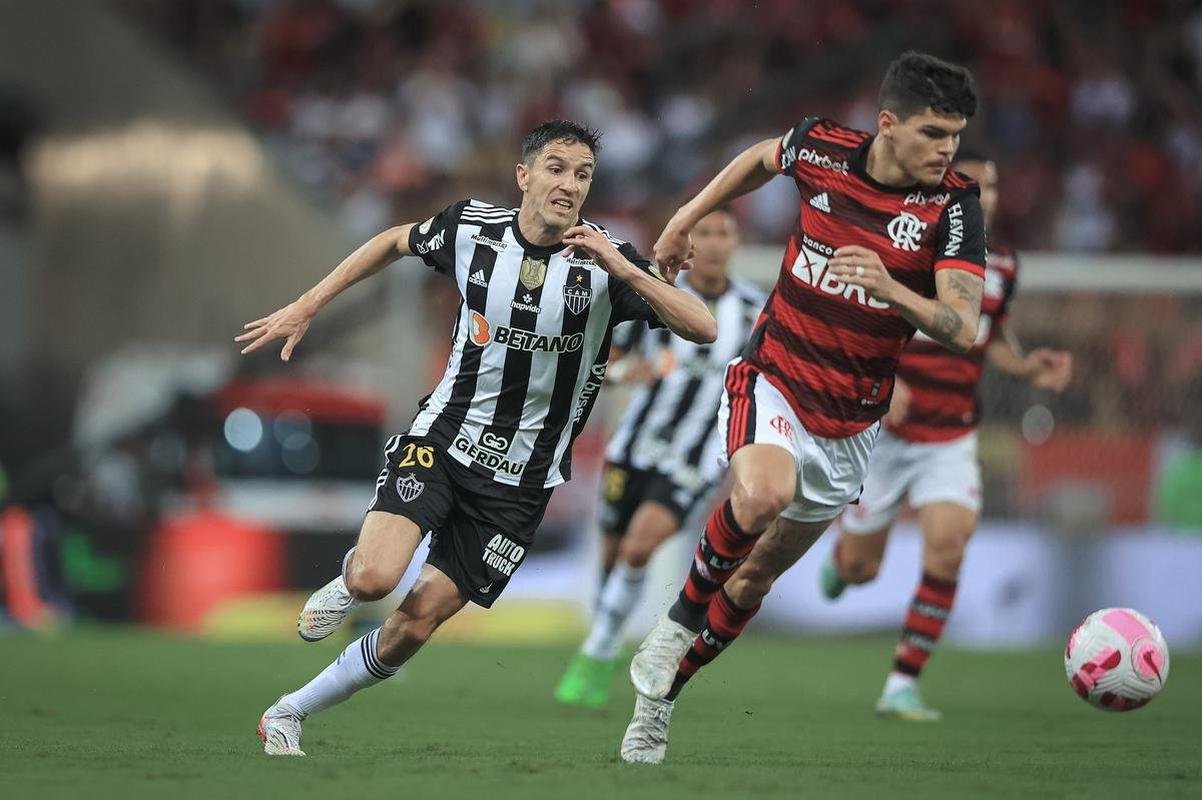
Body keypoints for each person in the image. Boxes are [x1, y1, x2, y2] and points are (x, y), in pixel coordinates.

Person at [235, 119, 717, 757]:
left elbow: (703, 326)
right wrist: (309, 303)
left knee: (416, 623)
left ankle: (288, 712)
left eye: (583, 174)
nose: (569, 184)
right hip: (443, 438)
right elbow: (392, 242)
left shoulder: (606, 261)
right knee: (380, 579)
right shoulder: (472, 228)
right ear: (524, 176)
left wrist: (624, 271)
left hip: (522, 482)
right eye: (556, 168)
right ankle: (351, 581)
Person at [618, 51, 987, 764]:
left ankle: (661, 699)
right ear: (888, 124)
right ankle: (677, 620)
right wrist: (687, 215)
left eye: (955, 136)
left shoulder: (953, 205)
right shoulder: (822, 147)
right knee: (760, 495)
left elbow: (961, 325)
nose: (948, 150)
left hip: (851, 422)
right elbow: (760, 158)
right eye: (935, 133)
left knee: (756, 576)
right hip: (775, 376)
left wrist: (893, 290)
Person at [817, 152, 1073, 720]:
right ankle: (843, 561)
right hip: (885, 432)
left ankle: (901, 683)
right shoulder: (904, 245)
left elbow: (990, 336)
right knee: (860, 571)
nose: (988, 195)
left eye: (995, 184)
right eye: (974, 186)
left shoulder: (1002, 263)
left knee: (948, 547)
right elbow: (852, 321)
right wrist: (886, 380)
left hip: (951, 436)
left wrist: (1028, 367)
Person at [553, 209, 765, 708]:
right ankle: (605, 640)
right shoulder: (656, 293)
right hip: (632, 448)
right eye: (703, 233)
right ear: (687, 243)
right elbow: (609, 359)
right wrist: (633, 373)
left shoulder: (755, 313)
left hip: (694, 459)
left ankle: (597, 651)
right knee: (611, 554)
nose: (712, 243)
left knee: (638, 548)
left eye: (722, 233)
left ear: (736, 242)